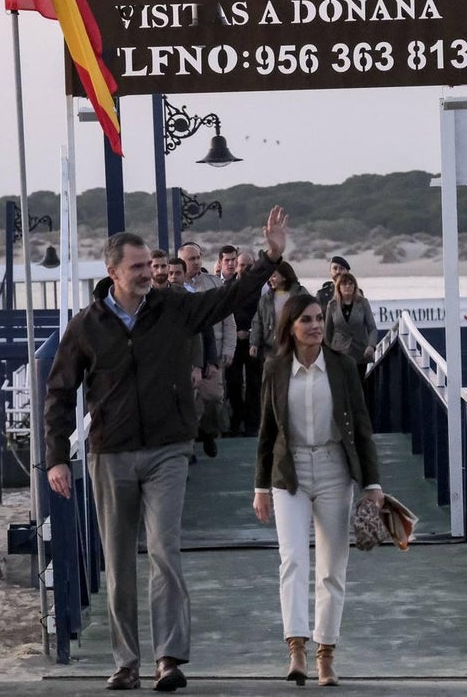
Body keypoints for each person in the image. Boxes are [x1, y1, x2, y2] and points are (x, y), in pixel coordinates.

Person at [44, 207, 289, 692]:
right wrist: (55, 457)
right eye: (136, 267)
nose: (147, 273)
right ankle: (126, 663)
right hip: (110, 452)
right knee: (118, 560)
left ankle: (168, 660)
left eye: (148, 265)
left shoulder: (174, 307)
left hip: (168, 449)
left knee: (164, 551)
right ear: (112, 271)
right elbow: (59, 392)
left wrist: (270, 257)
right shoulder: (86, 326)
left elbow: (227, 297)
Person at [252, 293, 383, 688]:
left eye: (317, 319)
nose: (314, 326)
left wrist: (372, 484)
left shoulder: (342, 366)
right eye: (305, 320)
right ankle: (296, 648)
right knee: (292, 560)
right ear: (290, 327)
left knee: (332, 566)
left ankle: (326, 653)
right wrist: (260, 487)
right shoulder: (275, 368)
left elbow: (361, 425)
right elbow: (266, 430)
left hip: (333, 469)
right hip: (288, 471)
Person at [179, 242, 236, 457]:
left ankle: (209, 433)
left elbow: (228, 320)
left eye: (198, 258)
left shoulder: (214, 284)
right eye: (191, 259)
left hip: (214, 352)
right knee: (190, 402)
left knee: (213, 398)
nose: (196, 262)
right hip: (186, 357)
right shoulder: (175, 288)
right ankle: (190, 445)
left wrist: (229, 349)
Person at [226, 250, 262, 436]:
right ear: (236, 266)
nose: (245, 269)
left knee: (254, 385)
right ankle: (236, 422)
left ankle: (251, 425)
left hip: (253, 342)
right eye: (242, 265)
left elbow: (262, 316)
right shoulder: (227, 287)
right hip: (233, 342)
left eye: (249, 266)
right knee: (233, 383)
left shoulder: (261, 288)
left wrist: (249, 333)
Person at [249, 261, 308, 360]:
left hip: (295, 347)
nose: (270, 279)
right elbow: (257, 322)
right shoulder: (266, 298)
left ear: (284, 277)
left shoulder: (300, 294)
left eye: (274, 276)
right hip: (271, 349)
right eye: (269, 276)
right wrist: (254, 343)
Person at [324, 271, 378, 378]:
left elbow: (372, 328)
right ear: (338, 287)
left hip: (360, 352)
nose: (347, 286)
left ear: (355, 286)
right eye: (344, 284)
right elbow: (327, 332)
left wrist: (371, 346)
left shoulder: (363, 303)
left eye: (350, 283)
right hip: (339, 353)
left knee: (358, 384)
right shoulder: (332, 305)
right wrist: (330, 353)